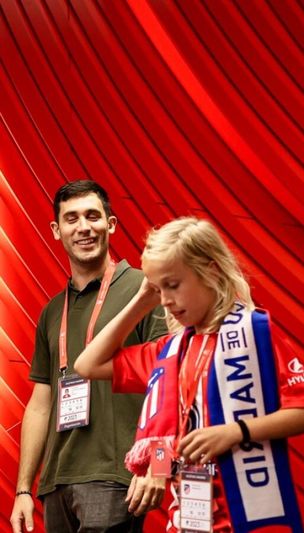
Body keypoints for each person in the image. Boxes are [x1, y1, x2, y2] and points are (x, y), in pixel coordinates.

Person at [74, 217, 304, 532]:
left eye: (173, 285)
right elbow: (87, 365)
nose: (165, 300)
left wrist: (236, 431)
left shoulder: (253, 333)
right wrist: (141, 301)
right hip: (189, 518)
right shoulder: (169, 350)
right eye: (158, 289)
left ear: (211, 271)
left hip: (245, 515)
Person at [10, 180, 168, 533]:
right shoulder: (52, 311)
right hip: (55, 483)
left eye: (93, 216)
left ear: (111, 224)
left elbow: (170, 380)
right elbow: (40, 404)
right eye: (72, 218)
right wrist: (24, 489)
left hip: (115, 475)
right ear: (57, 230)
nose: (83, 227)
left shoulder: (145, 289)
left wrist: (158, 466)